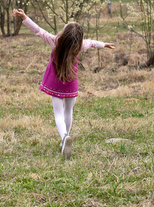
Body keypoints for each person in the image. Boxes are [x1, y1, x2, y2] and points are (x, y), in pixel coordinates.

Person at [13, 9, 115, 159]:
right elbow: (92, 43)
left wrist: (25, 17)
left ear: (65, 34)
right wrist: (104, 44)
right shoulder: (80, 46)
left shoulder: (56, 42)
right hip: (71, 83)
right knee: (69, 111)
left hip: (56, 83)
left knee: (58, 113)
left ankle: (64, 137)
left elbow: (39, 31)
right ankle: (65, 139)